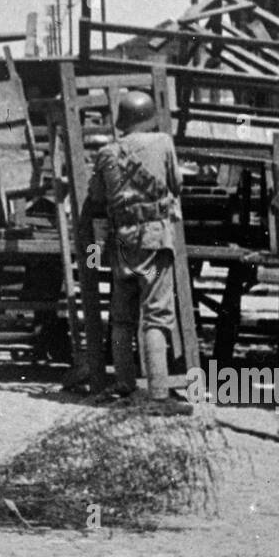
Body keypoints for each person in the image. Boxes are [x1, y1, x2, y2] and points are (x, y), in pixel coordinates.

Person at [76, 90, 184, 402]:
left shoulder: (108, 153)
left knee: (122, 317)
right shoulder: (163, 142)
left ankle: (124, 384)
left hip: (122, 242)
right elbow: (177, 183)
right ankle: (160, 394)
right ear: (148, 118)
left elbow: (96, 196)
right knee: (156, 315)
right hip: (154, 240)